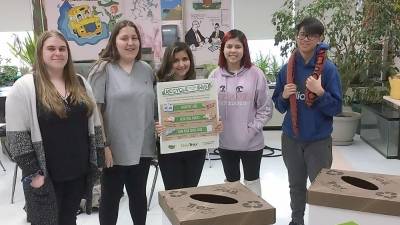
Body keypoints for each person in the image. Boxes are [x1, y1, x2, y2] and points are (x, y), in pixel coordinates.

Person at [5, 30, 104, 225]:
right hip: (46, 176)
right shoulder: (25, 86)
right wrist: (34, 174)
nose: (57, 53)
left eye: (62, 49)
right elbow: (17, 137)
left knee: (69, 220)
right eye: (51, 48)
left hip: (77, 172)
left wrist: (97, 160)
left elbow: (95, 123)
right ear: (40, 53)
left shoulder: (80, 82)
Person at [272, 17, 342, 225]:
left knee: (321, 187)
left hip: (318, 140)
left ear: (319, 39)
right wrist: (284, 95)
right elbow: (279, 105)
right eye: (302, 34)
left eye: (311, 35)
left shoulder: (328, 70)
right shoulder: (287, 69)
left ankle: (323, 221)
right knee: (295, 185)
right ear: (296, 36)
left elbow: (336, 108)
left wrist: (320, 92)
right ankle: (297, 220)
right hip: (291, 139)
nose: (305, 39)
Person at [88, 20, 156, 225]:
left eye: (134, 38)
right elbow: (94, 111)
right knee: (110, 199)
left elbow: (153, 106)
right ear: (114, 42)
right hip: (114, 150)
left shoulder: (146, 69)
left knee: (138, 196)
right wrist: (104, 145)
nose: (130, 43)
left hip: (143, 146)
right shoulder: (103, 70)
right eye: (124, 38)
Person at [209, 29, 273, 196]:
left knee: (252, 183)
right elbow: (208, 109)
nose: (233, 50)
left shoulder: (256, 74)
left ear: (244, 49)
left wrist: (251, 130)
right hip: (225, 142)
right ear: (223, 49)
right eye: (229, 46)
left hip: (251, 143)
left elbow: (265, 108)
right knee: (232, 186)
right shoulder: (214, 76)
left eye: (238, 46)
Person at [155, 42, 222, 190]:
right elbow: (152, 118)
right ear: (168, 62)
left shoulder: (201, 88)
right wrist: (156, 127)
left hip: (196, 151)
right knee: (175, 195)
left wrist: (216, 124)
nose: (181, 64)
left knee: (191, 192)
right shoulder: (158, 88)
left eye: (185, 59)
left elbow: (209, 115)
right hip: (170, 151)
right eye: (175, 60)